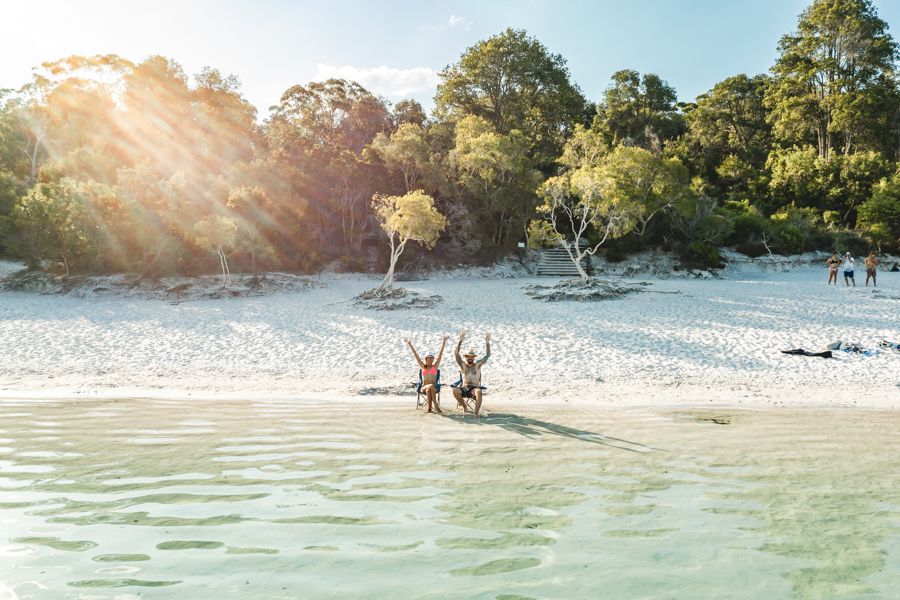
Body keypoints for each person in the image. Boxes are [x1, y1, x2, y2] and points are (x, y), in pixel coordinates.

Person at [405, 335, 448, 414]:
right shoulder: (423, 366)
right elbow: (416, 356)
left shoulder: (435, 367)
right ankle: (435, 405)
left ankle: (429, 409)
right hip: (424, 387)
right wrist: (410, 344)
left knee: (430, 389)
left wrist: (444, 342)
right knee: (429, 387)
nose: (430, 359)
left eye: (432, 358)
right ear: (426, 359)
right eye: (429, 358)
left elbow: (440, 355)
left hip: (434, 388)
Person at [453, 330, 490, 416]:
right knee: (455, 391)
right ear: (466, 357)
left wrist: (487, 342)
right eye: (468, 357)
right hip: (465, 388)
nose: (470, 358)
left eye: (472, 357)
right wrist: (460, 341)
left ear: (474, 357)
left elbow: (487, 355)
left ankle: (476, 413)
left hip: (474, 389)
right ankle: (464, 407)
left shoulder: (477, 365)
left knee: (479, 392)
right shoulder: (463, 365)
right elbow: (456, 353)